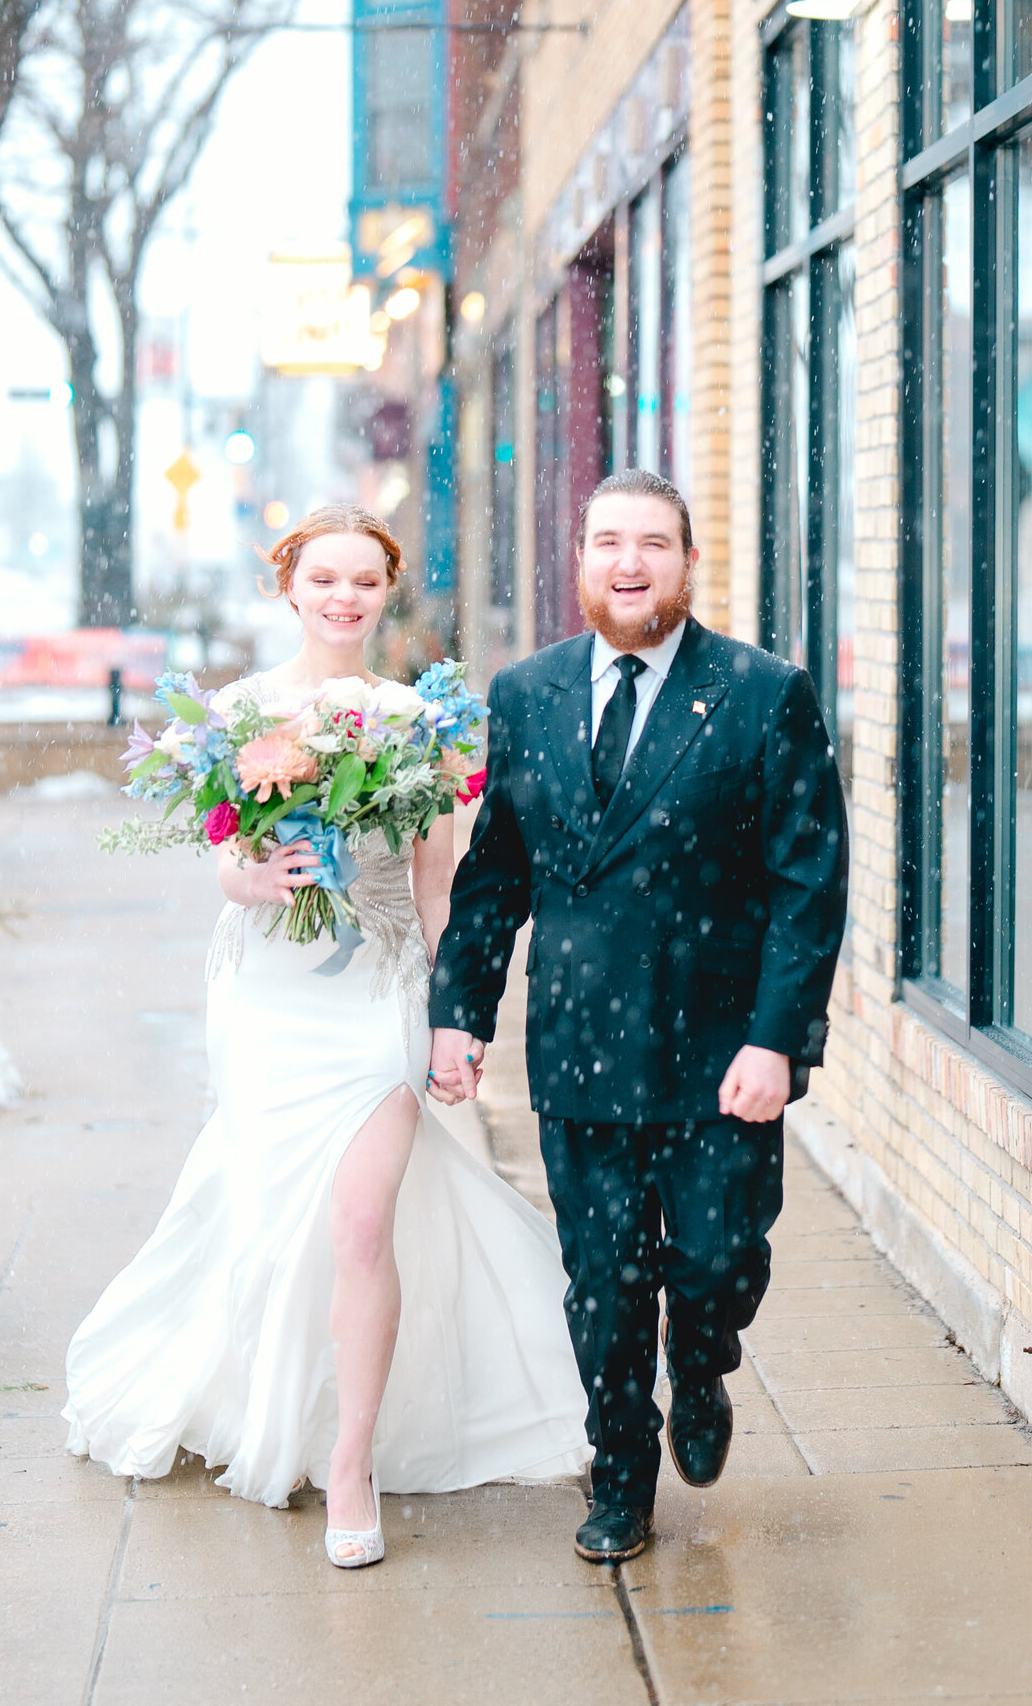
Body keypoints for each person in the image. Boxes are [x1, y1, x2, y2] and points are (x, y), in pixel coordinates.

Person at [64, 505, 587, 1567]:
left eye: (363, 580)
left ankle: (349, 1461)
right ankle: (270, 1400)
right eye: (324, 579)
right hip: (267, 995)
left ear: (385, 592)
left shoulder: (422, 721)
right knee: (275, 1220)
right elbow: (225, 854)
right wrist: (252, 876)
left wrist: (458, 1016)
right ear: (288, 588)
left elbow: (441, 878)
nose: (343, 598)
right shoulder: (242, 712)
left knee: (358, 1227)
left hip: (376, 997)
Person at [429, 468, 849, 1566]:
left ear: (687, 560)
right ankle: (620, 1474)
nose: (628, 563)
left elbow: (810, 882)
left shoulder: (763, 694)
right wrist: (458, 1014)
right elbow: (495, 875)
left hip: (723, 1050)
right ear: (578, 561)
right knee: (605, 1284)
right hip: (580, 1048)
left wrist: (776, 1039)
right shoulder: (525, 695)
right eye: (607, 541)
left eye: (652, 543)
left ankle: (704, 1358)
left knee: (713, 1263)